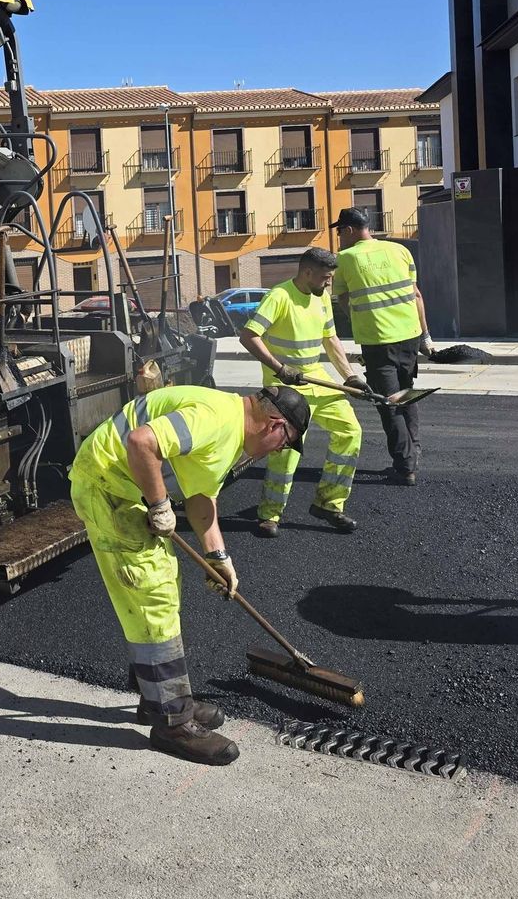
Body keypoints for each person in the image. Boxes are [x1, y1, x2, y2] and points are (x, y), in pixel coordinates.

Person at [69, 383, 311, 766]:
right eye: (285, 443)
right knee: (154, 597)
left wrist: (219, 557)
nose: (279, 451)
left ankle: (159, 696)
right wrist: (160, 504)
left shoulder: (230, 432)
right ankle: (172, 723)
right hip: (107, 486)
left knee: (168, 583)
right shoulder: (216, 419)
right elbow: (141, 441)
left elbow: (202, 498)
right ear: (274, 425)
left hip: (124, 486)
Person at [238, 247, 363, 537]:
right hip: (285, 388)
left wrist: (350, 376)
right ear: (307, 272)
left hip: (316, 378)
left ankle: (329, 503)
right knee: (287, 451)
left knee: (350, 432)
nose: (329, 283)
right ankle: (270, 515)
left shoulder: (321, 299)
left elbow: (330, 338)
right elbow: (248, 336)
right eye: (325, 277)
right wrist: (280, 368)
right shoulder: (279, 296)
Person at [330, 207, 432, 485]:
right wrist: (426, 337)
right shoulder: (400, 251)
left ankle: (405, 466)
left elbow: (342, 299)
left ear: (350, 230)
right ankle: (414, 450)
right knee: (407, 395)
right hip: (409, 336)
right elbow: (417, 295)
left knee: (389, 403)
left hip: (377, 341)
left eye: (339, 231)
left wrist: (360, 320)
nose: (338, 236)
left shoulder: (346, 259)